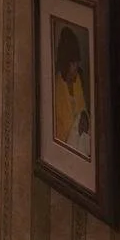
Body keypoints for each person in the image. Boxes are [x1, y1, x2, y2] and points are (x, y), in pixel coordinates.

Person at [52, 26, 91, 157]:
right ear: (66, 63)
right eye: (73, 64)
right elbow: (60, 131)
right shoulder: (57, 87)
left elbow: (83, 111)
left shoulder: (78, 80)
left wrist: (84, 120)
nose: (77, 67)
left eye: (77, 63)